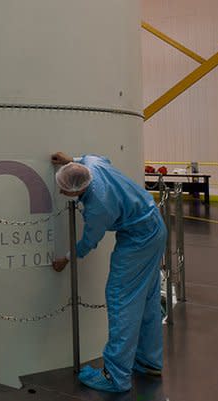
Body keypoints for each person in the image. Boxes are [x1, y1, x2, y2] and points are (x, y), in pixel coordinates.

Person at [50, 152, 166, 393]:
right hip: (154, 226)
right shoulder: (92, 164)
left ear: (77, 190)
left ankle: (116, 376)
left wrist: (67, 259)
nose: (61, 193)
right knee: (147, 298)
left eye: (64, 189)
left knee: (121, 300)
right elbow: (98, 158)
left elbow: (88, 242)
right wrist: (70, 159)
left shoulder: (97, 207)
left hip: (138, 240)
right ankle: (148, 360)